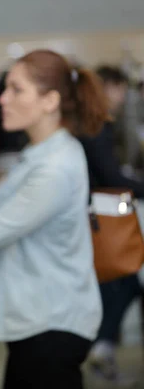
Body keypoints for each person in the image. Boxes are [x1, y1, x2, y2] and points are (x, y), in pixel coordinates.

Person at [0, 49, 106, 389]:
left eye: (16, 89)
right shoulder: (44, 155)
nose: (2, 99)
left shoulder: (56, 166)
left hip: (52, 326)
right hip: (41, 321)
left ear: (49, 101)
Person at [80, 65, 144, 383]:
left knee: (116, 281)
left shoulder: (87, 123)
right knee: (125, 276)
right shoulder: (97, 125)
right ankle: (101, 346)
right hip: (100, 217)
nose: (123, 96)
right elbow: (111, 177)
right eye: (119, 88)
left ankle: (102, 346)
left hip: (94, 214)